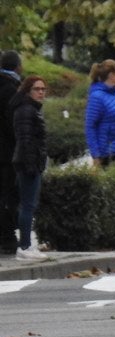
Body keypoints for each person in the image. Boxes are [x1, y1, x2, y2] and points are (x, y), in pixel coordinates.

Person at [11, 75, 49, 262]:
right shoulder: (27, 110)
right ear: (28, 91)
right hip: (29, 164)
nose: (41, 92)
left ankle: (26, 245)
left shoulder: (28, 109)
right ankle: (24, 246)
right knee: (28, 205)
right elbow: (26, 140)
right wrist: (31, 164)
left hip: (30, 162)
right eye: (37, 89)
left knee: (28, 205)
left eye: (43, 89)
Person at [85, 59, 115, 167]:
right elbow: (90, 127)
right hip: (107, 153)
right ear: (111, 75)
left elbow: (114, 118)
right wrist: (96, 155)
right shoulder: (97, 96)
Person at [1, 50, 22, 256]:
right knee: (9, 196)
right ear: (18, 67)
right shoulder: (11, 90)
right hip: (7, 154)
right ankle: (7, 238)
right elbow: (12, 125)